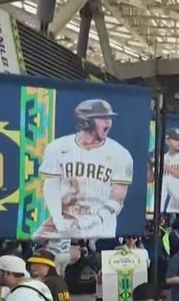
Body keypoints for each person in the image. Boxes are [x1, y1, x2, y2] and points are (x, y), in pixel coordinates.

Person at [34, 99, 133, 239]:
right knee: (37, 242)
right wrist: (57, 219)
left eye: (109, 118)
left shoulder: (120, 153)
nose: (109, 122)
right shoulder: (57, 147)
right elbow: (51, 185)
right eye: (103, 118)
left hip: (100, 227)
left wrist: (97, 219)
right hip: (64, 220)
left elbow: (118, 197)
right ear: (86, 121)